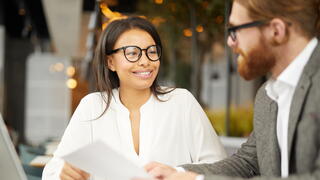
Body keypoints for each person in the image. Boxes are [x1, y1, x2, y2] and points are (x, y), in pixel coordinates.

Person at [139, 0, 320, 180]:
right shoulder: (268, 95)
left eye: (235, 30)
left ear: (276, 31)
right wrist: (177, 173)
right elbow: (248, 163)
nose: (230, 42)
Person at [42, 16, 227, 180]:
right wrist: (64, 173)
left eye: (152, 51)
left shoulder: (182, 102)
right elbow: (53, 170)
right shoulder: (92, 107)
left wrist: (177, 173)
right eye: (132, 53)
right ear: (110, 62)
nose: (145, 61)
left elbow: (218, 168)